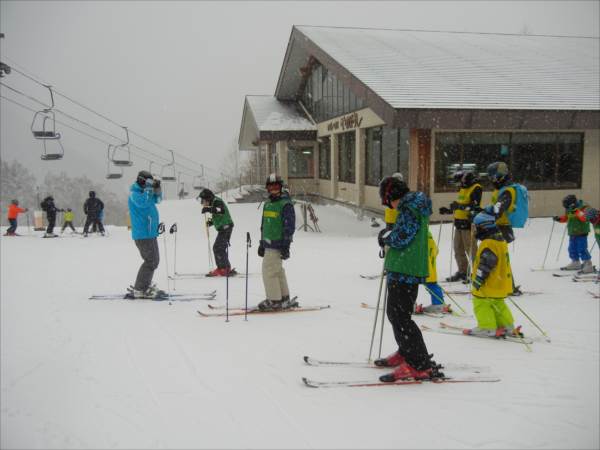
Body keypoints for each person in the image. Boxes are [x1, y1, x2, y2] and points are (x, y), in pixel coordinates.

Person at [374, 176, 441, 382]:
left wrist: (385, 237)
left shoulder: (409, 209)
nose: (390, 207)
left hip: (406, 269)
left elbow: (403, 237)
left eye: (388, 202)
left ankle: (418, 364)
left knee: (400, 316)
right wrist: (390, 233)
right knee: (397, 315)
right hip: (405, 267)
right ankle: (406, 352)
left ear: (392, 196)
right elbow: (404, 232)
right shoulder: (411, 206)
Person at [463, 212, 523, 338]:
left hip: (489, 284)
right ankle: (507, 326)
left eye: (476, 227)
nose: (475, 231)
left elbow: (486, 264)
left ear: (483, 227)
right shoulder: (500, 241)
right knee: (498, 305)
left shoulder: (488, 243)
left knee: (481, 303)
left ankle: (487, 327)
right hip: (500, 283)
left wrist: (479, 279)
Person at [257, 174, 297, 311]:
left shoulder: (285, 204)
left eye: (276, 186)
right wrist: (262, 243)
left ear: (280, 187)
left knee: (269, 271)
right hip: (268, 243)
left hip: (278, 244)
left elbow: (289, 227)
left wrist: (286, 245)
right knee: (277, 270)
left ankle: (274, 299)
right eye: (270, 187)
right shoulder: (268, 203)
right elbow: (264, 225)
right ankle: (283, 297)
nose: (273, 189)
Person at [439, 170, 482, 282]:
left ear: (466, 179)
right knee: (458, 249)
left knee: (471, 250)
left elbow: (473, 206)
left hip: (468, 224)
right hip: (459, 223)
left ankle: (478, 273)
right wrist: (449, 210)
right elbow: (461, 205)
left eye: (460, 182)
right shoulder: (464, 188)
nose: (459, 185)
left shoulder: (476, 188)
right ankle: (463, 271)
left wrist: (459, 206)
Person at [127, 171, 163, 299]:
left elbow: (158, 200)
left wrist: (157, 188)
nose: (149, 185)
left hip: (150, 233)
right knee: (151, 261)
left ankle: (144, 285)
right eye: (148, 182)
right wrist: (149, 188)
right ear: (141, 181)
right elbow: (144, 203)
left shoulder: (145, 192)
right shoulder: (135, 194)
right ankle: (140, 288)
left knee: (154, 261)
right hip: (142, 234)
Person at [198, 188, 235, 276]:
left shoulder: (217, 201)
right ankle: (223, 268)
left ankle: (224, 268)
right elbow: (218, 215)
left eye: (203, 200)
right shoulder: (214, 203)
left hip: (226, 227)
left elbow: (221, 211)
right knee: (219, 247)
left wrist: (208, 209)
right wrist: (211, 222)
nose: (202, 203)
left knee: (218, 247)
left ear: (208, 198)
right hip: (224, 227)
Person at [415, 231, 452, 315]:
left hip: (422, 270)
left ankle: (411, 304)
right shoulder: (431, 241)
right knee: (432, 286)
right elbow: (436, 251)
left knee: (411, 286)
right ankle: (438, 303)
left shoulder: (420, 242)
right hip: (431, 270)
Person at [554, 195, 593, 273]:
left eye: (567, 206)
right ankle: (575, 262)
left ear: (572, 203)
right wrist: (559, 219)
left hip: (581, 232)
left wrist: (576, 211)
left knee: (582, 248)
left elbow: (584, 218)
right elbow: (566, 218)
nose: (567, 208)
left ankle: (588, 264)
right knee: (572, 248)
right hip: (572, 232)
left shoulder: (583, 207)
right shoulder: (569, 209)